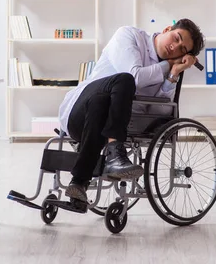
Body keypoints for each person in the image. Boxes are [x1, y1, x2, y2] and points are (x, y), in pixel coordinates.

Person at [58, 19, 205, 203]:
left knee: (102, 102)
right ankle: (115, 152)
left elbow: (157, 110)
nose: (174, 47)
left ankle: (79, 183)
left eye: (182, 50)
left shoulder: (168, 71)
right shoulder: (129, 35)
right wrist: (168, 64)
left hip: (100, 125)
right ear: (167, 28)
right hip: (77, 113)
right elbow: (134, 77)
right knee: (124, 80)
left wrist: (174, 73)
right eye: (176, 38)